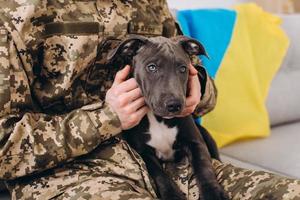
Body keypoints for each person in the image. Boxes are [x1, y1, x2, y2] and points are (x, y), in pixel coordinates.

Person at [0, 0, 299, 199]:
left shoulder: (150, 3)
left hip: (179, 167)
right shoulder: (15, 11)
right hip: (73, 177)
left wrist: (198, 87)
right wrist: (105, 118)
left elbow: (190, 73)